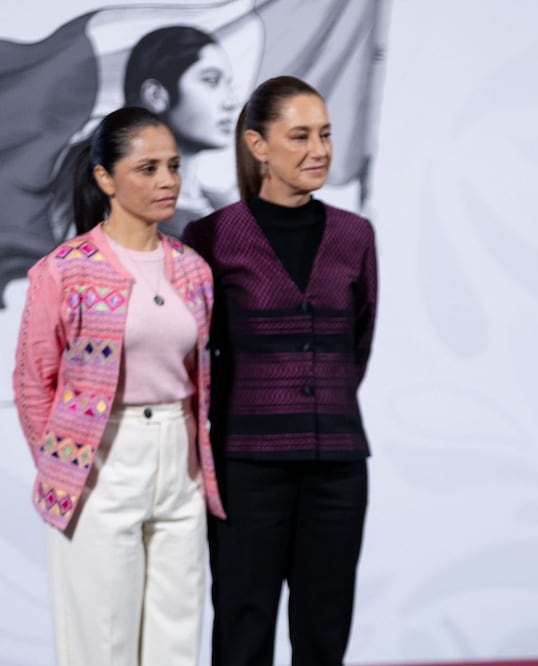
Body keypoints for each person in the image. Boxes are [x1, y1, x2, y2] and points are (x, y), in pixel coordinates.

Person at [12, 106, 224, 666]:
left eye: (173, 166)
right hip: (97, 463)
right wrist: (62, 465)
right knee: (101, 645)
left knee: (177, 641)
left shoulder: (194, 270)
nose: (167, 180)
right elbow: (33, 381)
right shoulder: (64, 270)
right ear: (105, 178)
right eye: (148, 168)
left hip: (180, 464)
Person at [182, 75, 378, 666]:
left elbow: (356, 343)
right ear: (258, 145)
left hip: (337, 468)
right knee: (242, 628)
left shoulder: (355, 235)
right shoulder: (212, 236)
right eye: (300, 136)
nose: (319, 150)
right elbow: (199, 353)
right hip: (247, 466)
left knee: (324, 633)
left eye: (326, 134)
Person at [124, 25, 240, 235]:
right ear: (156, 95)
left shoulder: (224, 206)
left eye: (228, 84)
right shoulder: (120, 211)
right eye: (211, 81)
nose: (231, 101)